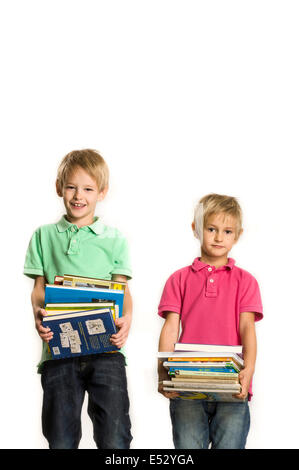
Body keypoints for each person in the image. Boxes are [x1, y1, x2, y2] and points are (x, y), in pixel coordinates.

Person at [24, 149, 133, 449]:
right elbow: (39, 288)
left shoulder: (114, 239)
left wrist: (127, 322)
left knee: (115, 435)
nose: (78, 196)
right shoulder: (43, 236)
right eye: (71, 186)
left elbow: (122, 290)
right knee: (60, 436)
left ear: (102, 192)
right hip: (58, 350)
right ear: (58, 187)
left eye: (87, 188)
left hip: (106, 350)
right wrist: (37, 313)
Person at [157, 193, 263, 449]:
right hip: (186, 384)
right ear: (196, 228)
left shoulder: (245, 281)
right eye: (211, 229)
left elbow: (247, 327)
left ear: (237, 235)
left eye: (227, 231)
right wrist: (162, 371)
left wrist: (248, 370)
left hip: (232, 385)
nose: (218, 237)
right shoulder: (178, 279)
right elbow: (170, 327)